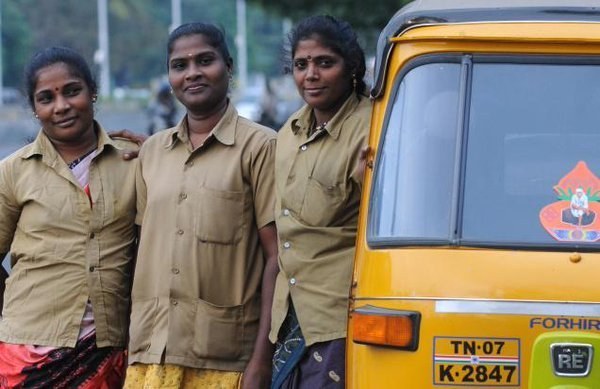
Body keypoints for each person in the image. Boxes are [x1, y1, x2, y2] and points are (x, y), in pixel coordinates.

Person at [124, 22, 279, 389]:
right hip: (151, 354)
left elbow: (278, 258)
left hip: (224, 359)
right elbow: (142, 247)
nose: (192, 73)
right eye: (180, 65)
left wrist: (261, 362)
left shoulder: (260, 148)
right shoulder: (152, 152)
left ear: (228, 66)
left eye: (204, 61)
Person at [0, 46, 138, 387]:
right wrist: (16, 317)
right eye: (46, 98)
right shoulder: (13, 172)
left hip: (107, 350)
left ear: (92, 92)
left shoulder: (133, 163)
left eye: (72, 91)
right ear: (35, 109)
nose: (61, 106)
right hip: (26, 355)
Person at [270, 15, 372, 388]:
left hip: (338, 316)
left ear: (352, 69)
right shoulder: (289, 132)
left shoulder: (371, 129)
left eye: (324, 63)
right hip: (291, 314)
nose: (311, 74)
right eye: (301, 65)